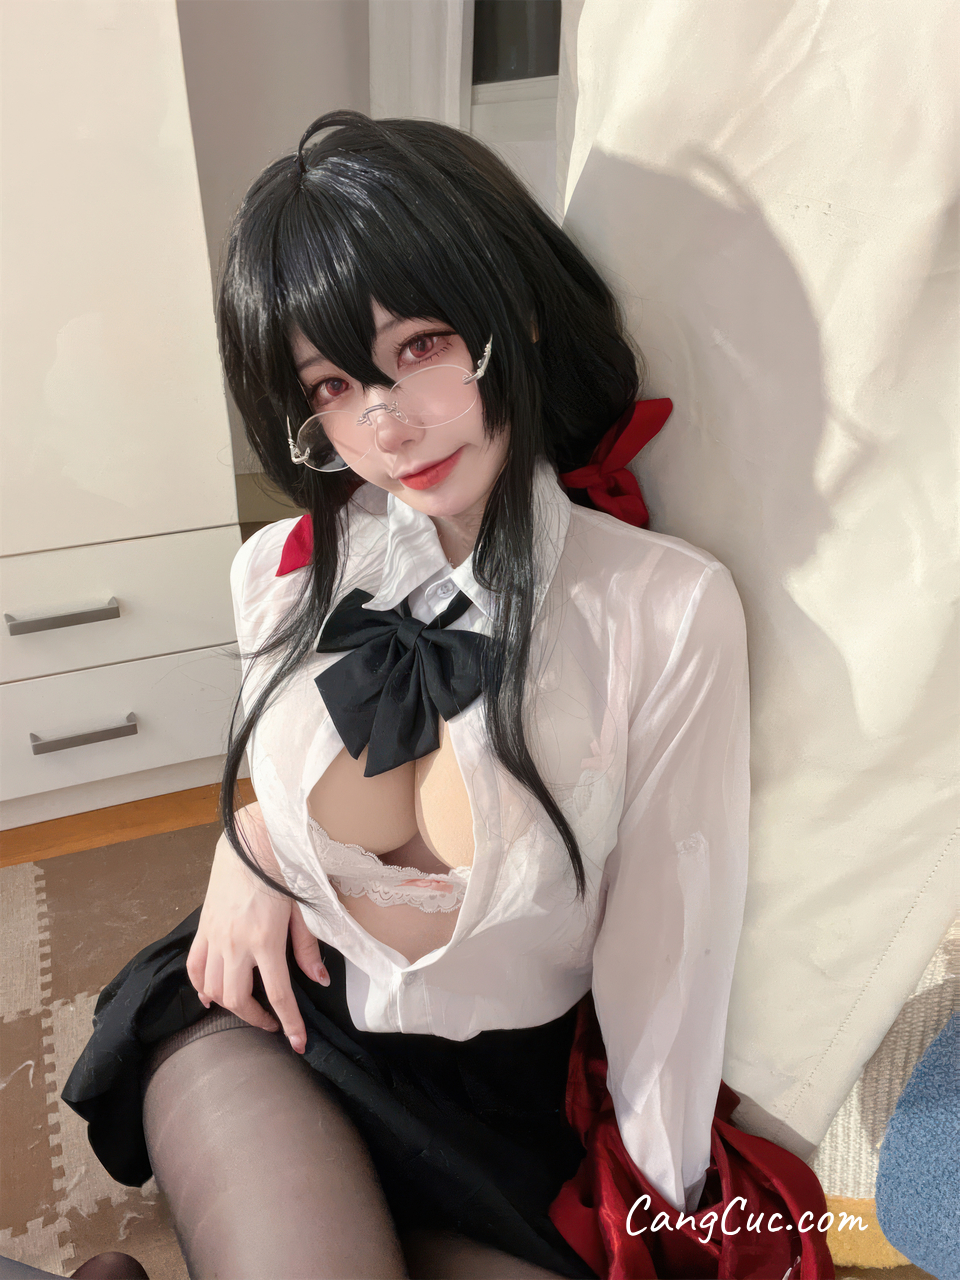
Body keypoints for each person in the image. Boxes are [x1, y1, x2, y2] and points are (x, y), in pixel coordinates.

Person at [63, 111, 831, 1280]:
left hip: (504, 1117)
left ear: (516, 314)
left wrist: (666, 1204)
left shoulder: (665, 608)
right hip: (272, 1028)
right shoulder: (276, 576)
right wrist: (246, 843)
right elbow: (277, 786)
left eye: (420, 345)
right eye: (333, 384)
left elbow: (666, 949)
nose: (387, 423)